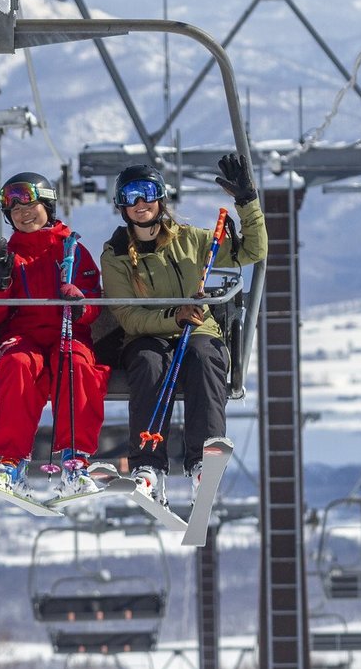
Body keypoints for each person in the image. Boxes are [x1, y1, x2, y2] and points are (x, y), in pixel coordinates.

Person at [100, 153, 266, 506]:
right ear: (121, 206)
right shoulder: (115, 256)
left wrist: (246, 202)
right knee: (147, 362)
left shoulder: (192, 240)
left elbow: (254, 249)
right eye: (131, 196)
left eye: (147, 193)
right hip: (147, 335)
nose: (140, 203)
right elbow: (129, 317)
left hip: (197, 330)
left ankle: (202, 461)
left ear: (161, 198)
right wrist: (173, 318)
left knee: (204, 357)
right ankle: (148, 465)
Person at [0, 171, 108, 497]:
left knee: (76, 365)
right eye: (15, 210)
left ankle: (75, 461)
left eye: (30, 205)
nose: (23, 214)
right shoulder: (7, 255)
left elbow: (95, 302)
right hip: (23, 334)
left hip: (68, 332)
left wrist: (80, 304)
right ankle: (11, 462)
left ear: (47, 206)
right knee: (19, 364)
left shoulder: (72, 250)